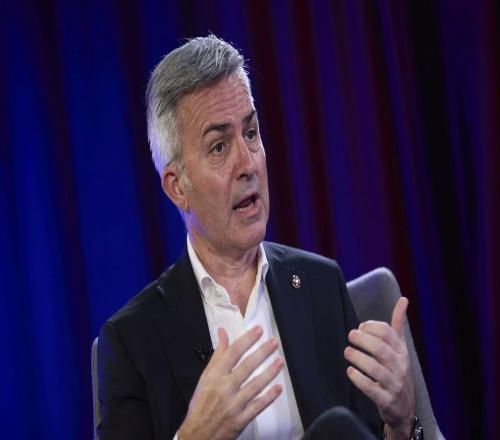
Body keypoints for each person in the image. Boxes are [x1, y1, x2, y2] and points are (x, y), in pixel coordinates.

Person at [97, 35, 419, 440]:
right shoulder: (131, 342)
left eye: (250, 133)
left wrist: (401, 423)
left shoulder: (321, 286)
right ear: (178, 187)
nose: (247, 163)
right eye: (218, 147)